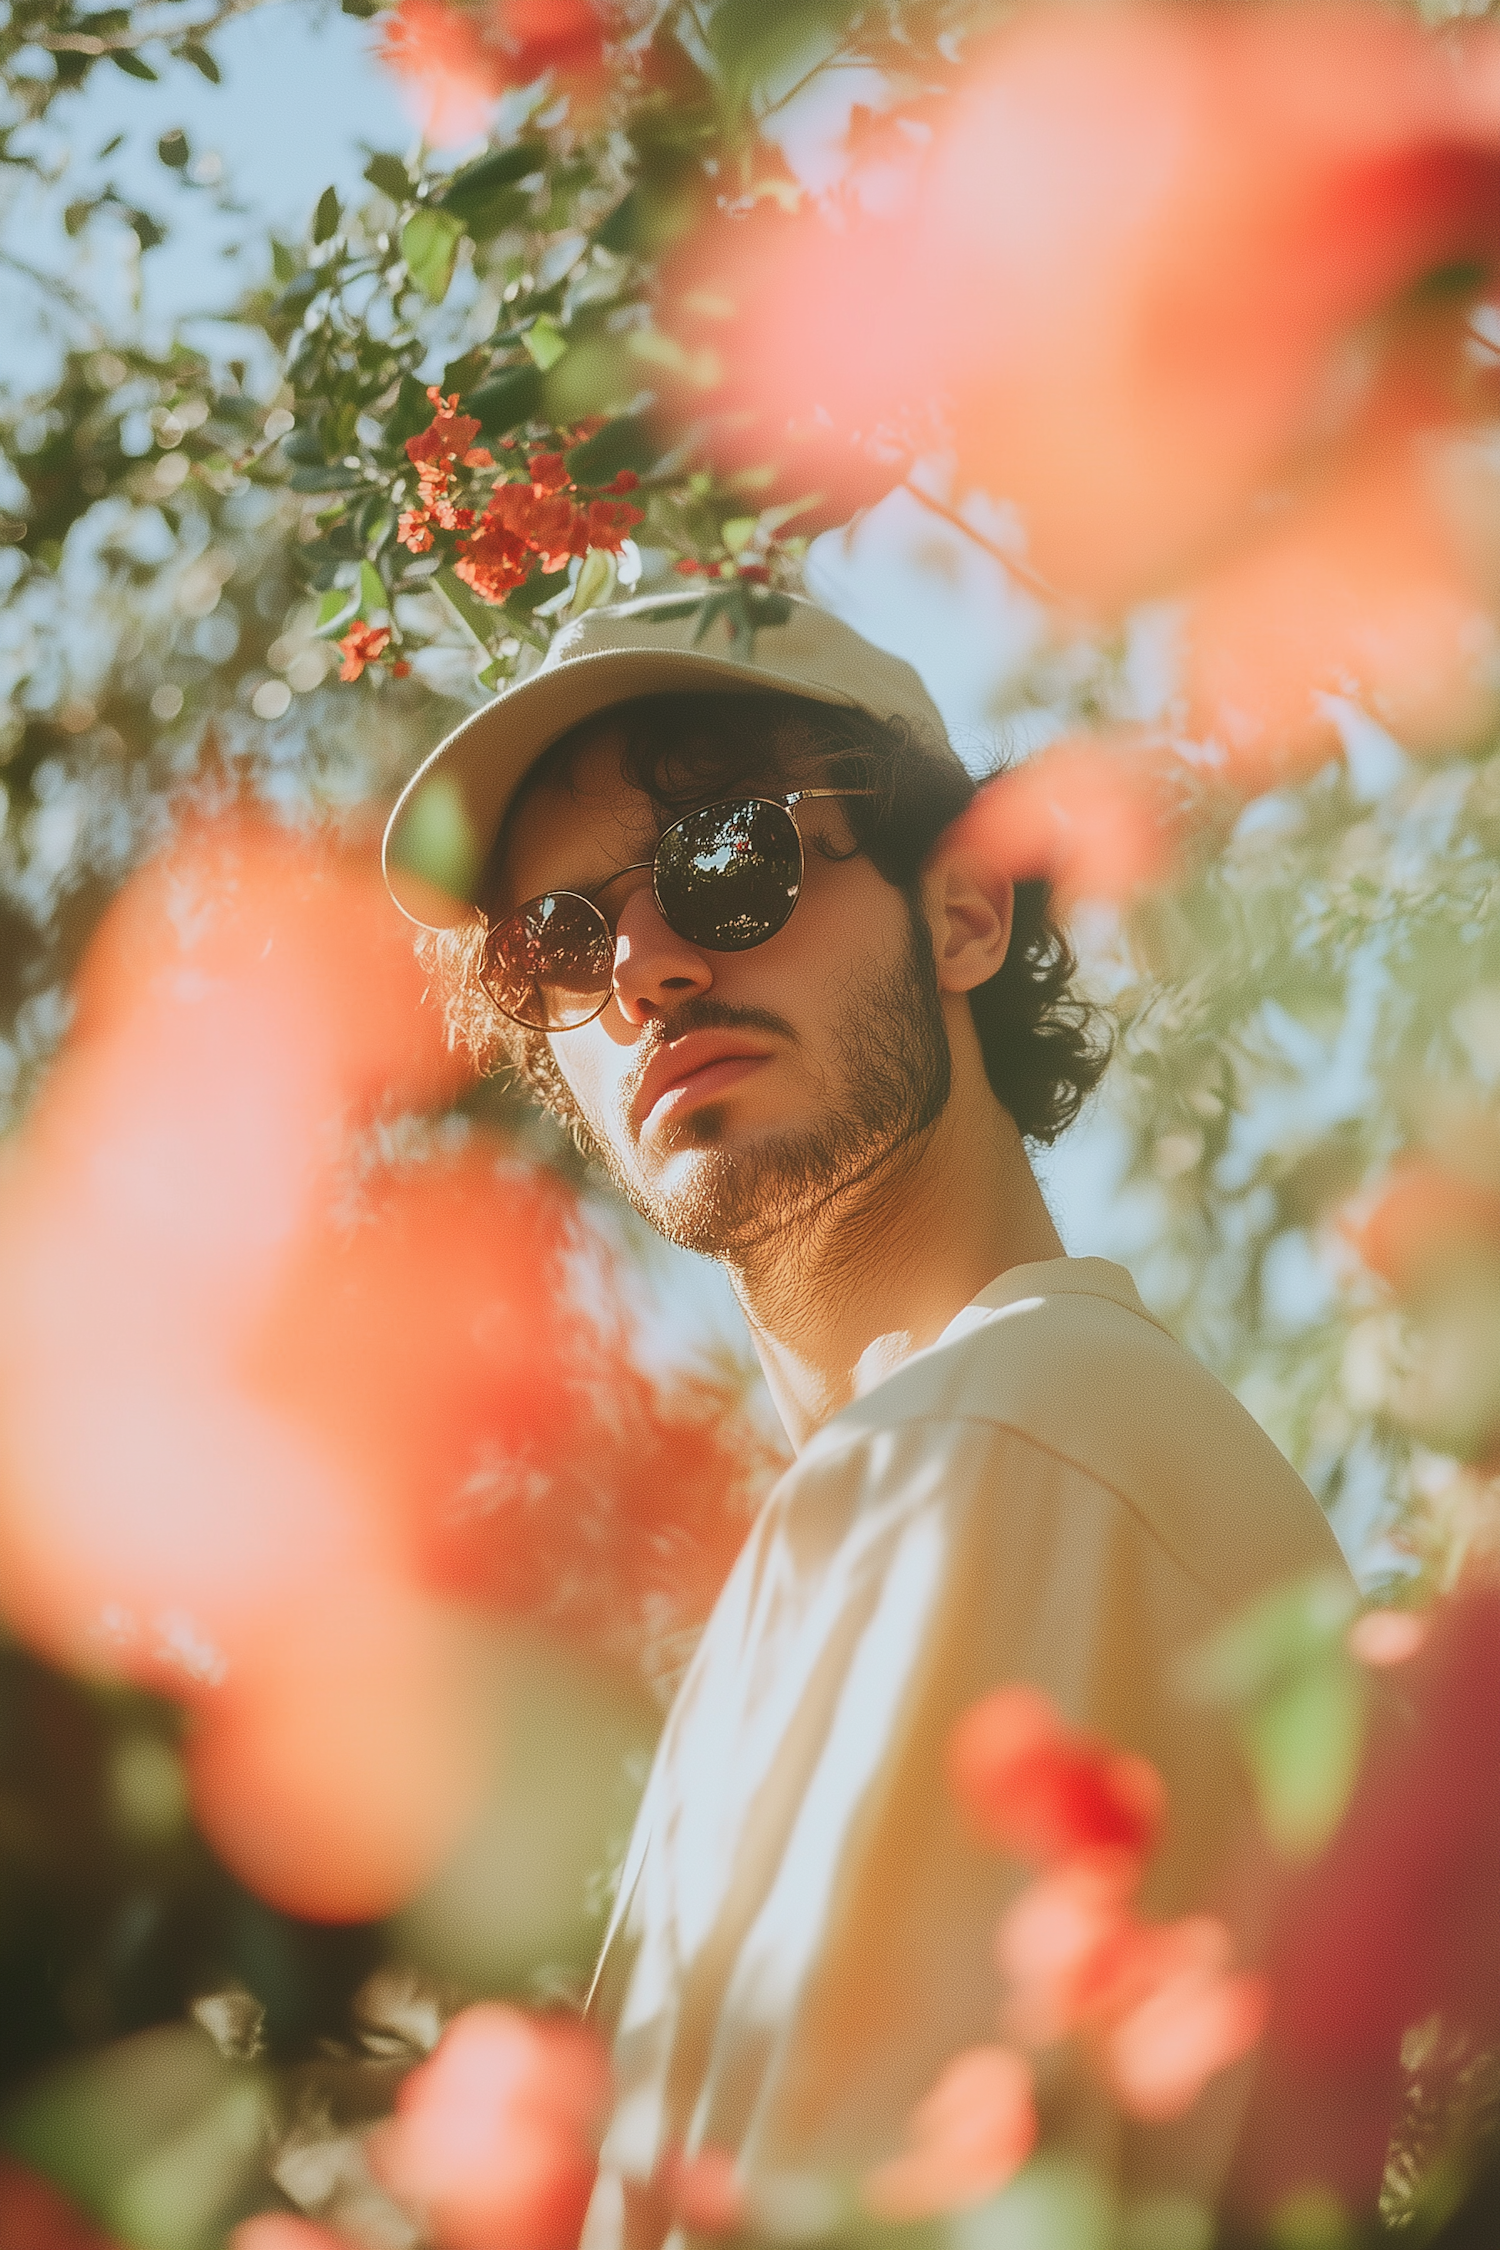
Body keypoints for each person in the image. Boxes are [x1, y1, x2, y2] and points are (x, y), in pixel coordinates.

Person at [383, 592, 1350, 2243]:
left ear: (965, 909)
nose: (648, 969)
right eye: (558, 940)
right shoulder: (910, 1488)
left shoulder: (1008, 1436)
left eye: (730, 859)